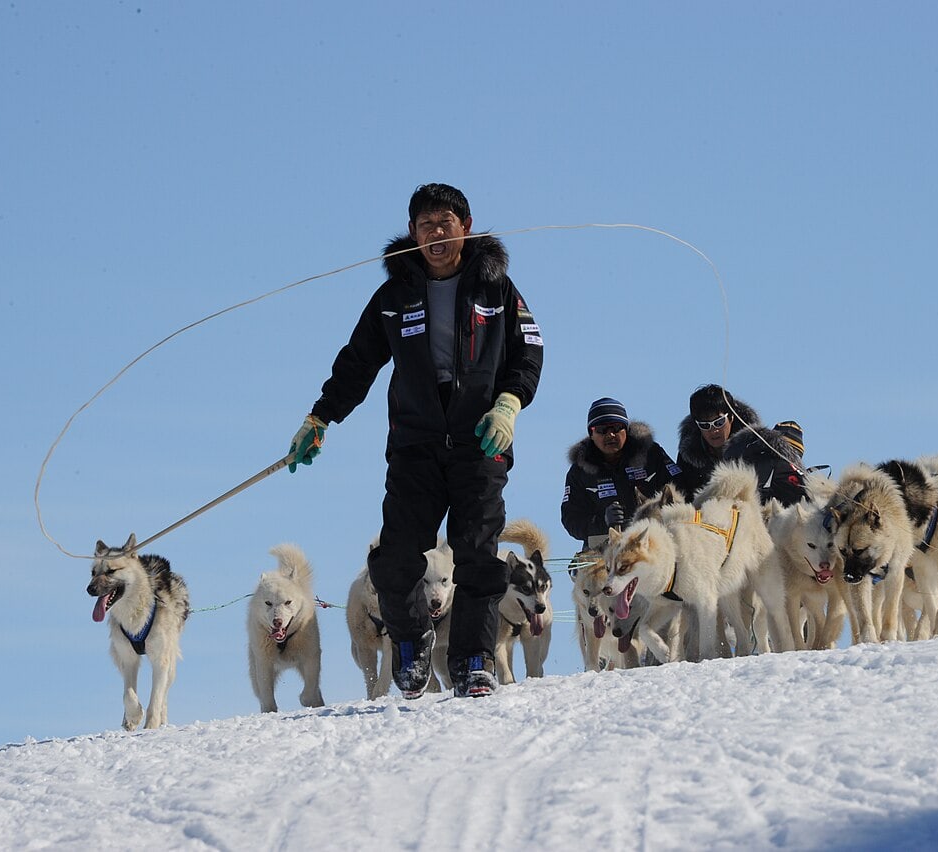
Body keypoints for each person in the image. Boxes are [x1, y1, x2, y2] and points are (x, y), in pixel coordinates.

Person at [284, 183, 543, 699]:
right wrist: (320, 417)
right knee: (396, 557)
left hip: (480, 444)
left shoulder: (497, 287)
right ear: (412, 234)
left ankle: (473, 659)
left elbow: (529, 351)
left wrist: (509, 404)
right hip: (415, 447)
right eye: (424, 225)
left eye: (444, 223)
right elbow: (357, 362)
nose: (435, 234)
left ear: (464, 228)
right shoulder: (394, 296)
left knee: (476, 553)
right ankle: (411, 642)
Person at [561, 397, 682, 549]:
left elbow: (681, 488)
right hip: (605, 550)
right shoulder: (580, 471)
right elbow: (571, 520)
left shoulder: (650, 454)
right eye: (601, 430)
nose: (610, 435)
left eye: (616, 427)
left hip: (654, 543)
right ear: (591, 434)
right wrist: (603, 522)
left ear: (626, 429)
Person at [674, 384, 762, 502]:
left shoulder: (754, 449)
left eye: (719, 422)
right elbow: (683, 496)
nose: (713, 430)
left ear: (731, 417)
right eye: (705, 425)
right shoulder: (688, 458)